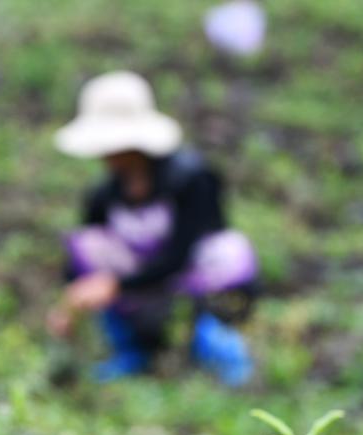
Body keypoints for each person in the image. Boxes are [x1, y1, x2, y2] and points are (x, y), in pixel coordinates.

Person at [47, 72, 258, 385]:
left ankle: (219, 349)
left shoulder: (192, 180)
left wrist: (116, 284)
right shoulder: (105, 196)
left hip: (193, 279)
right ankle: (133, 351)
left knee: (220, 267)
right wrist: (70, 303)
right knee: (89, 244)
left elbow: (181, 254)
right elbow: (82, 260)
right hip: (142, 287)